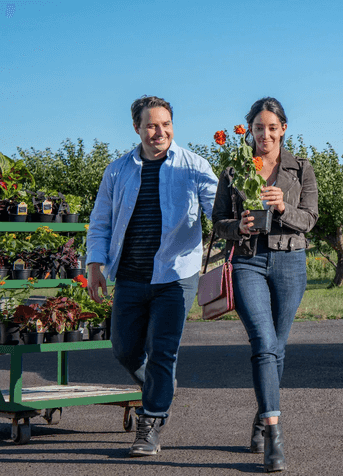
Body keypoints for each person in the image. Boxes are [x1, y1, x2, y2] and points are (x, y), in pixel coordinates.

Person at [86, 96, 218, 456]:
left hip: (176, 274)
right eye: (151, 125)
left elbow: (218, 210)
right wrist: (94, 265)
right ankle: (161, 387)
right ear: (137, 128)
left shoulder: (193, 166)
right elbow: (100, 222)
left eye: (166, 124)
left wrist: (240, 216)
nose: (159, 132)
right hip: (129, 274)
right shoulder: (117, 170)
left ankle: (150, 423)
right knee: (124, 348)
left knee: (163, 350)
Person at [211, 97, 318, 472]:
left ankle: (261, 416)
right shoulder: (234, 169)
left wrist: (284, 207)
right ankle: (275, 436)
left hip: (290, 261)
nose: (265, 134)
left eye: (273, 127)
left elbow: (310, 220)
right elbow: (218, 222)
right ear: (250, 130)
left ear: (283, 129)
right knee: (262, 342)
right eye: (259, 127)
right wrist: (234, 226)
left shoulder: (301, 168)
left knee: (278, 346)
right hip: (247, 260)